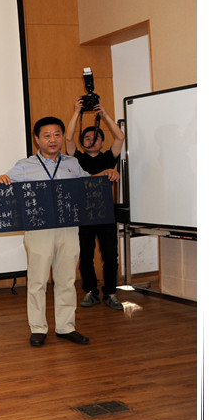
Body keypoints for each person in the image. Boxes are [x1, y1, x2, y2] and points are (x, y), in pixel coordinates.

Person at [0, 116, 118, 348]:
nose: (53, 139)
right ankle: (38, 328)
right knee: (38, 280)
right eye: (47, 135)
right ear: (37, 139)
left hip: (68, 227)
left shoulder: (72, 162)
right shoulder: (25, 165)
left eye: (57, 135)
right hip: (39, 229)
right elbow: (2, 183)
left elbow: (87, 183)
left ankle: (66, 327)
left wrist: (106, 174)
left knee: (66, 279)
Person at [66, 97, 126, 311]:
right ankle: (91, 291)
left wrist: (104, 115)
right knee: (86, 256)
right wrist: (77, 112)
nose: (92, 140)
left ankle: (110, 292)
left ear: (102, 142)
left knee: (111, 256)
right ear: (83, 142)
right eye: (87, 137)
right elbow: (68, 137)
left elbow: (120, 137)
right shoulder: (76, 160)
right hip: (83, 215)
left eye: (97, 137)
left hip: (106, 215)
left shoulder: (109, 158)